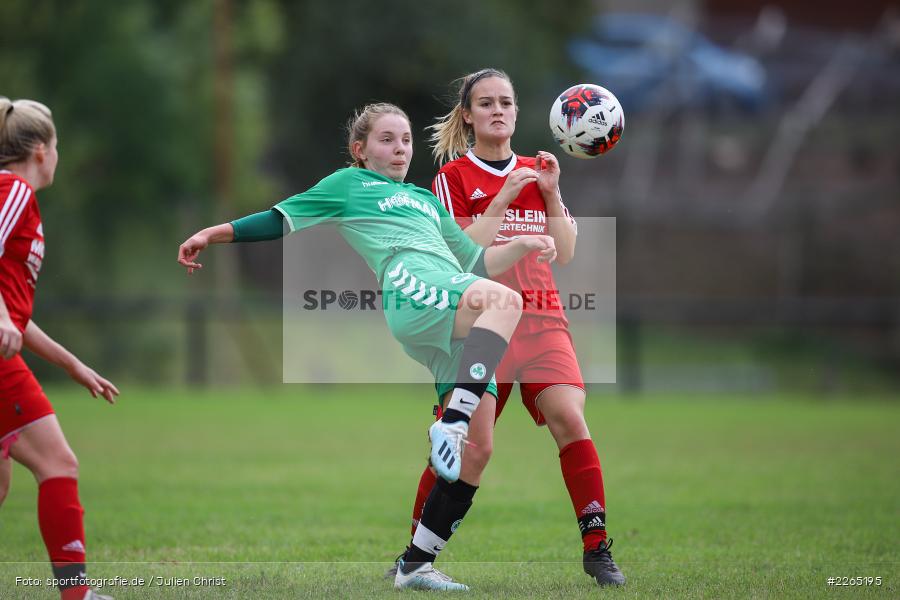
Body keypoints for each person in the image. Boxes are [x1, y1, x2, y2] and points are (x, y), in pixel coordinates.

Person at [176, 102, 557, 590]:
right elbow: (279, 219)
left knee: (477, 452)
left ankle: (415, 566)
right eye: (386, 139)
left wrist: (523, 246)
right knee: (506, 302)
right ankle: (452, 423)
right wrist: (212, 233)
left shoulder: (424, 199)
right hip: (414, 288)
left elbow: (473, 262)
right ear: (360, 149)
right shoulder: (347, 185)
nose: (399, 148)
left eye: (405, 140)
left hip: (451, 296)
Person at [389, 69, 626, 587]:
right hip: (480, 319)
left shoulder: (538, 169)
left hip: (541, 318)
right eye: (486, 103)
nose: (498, 110)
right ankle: (413, 554)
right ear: (468, 116)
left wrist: (553, 193)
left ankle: (595, 547)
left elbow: (564, 252)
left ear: (518, 113)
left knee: (569, 416)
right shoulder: (451, 179)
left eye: (507, 102)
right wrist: (501, 199)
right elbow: (457, 254)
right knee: (472, 446)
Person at [0, 97, 119, 600]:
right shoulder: (14, 188)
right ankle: (76, 595)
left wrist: (72, 364)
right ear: (43, 150)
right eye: (58, 145)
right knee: (58, 463)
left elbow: (16, 314)